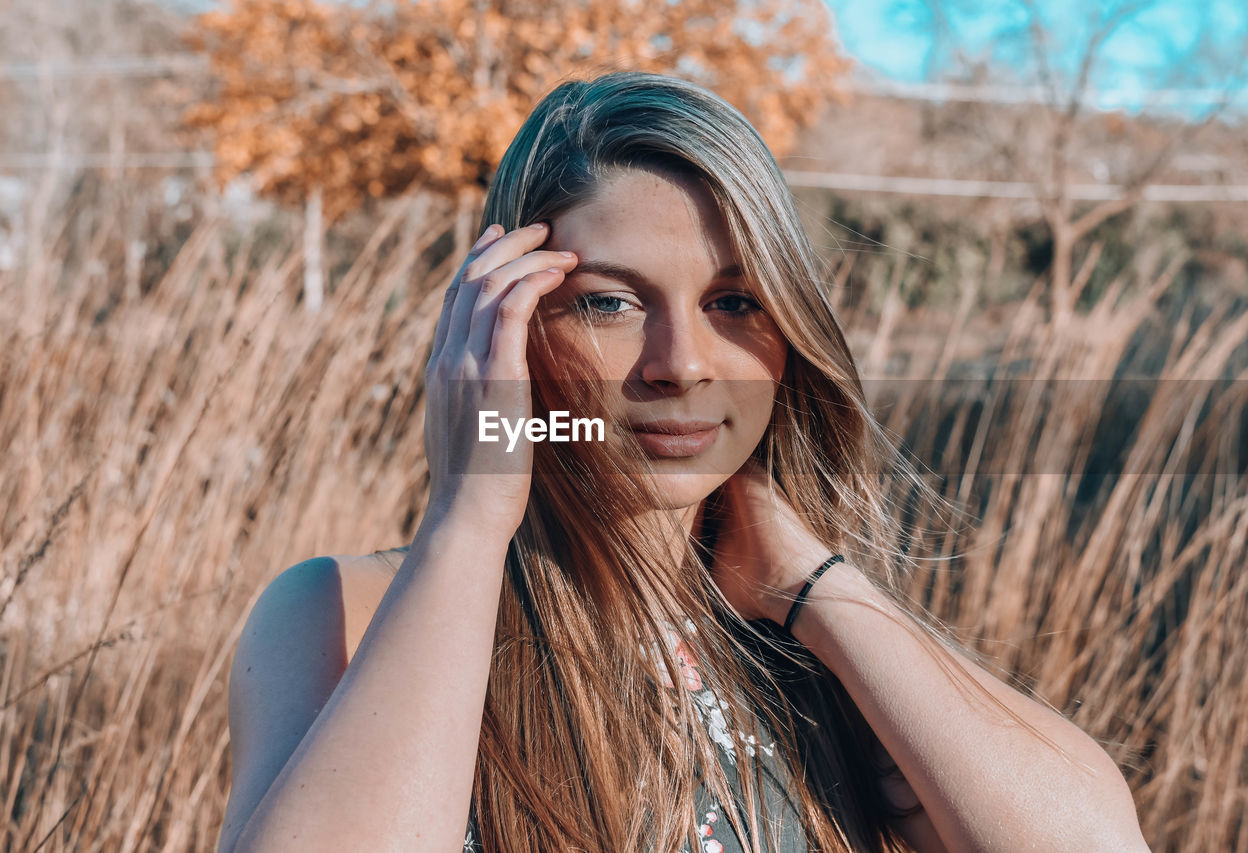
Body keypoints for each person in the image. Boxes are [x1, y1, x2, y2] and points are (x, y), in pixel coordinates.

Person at [215, 71, 1151, 853]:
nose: (683, 364)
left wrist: (812, 582)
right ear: (499, 326)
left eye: (737, 301)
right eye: (610, 304)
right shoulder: (341, 616)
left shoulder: (812, 652)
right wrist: (468, 518)